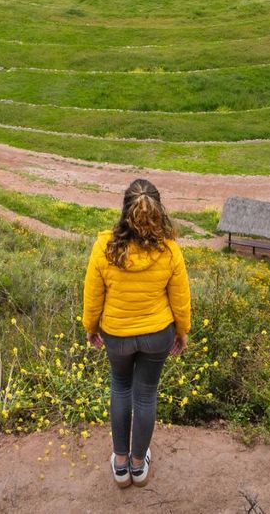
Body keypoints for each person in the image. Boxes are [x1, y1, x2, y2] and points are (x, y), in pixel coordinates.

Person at [82, 178, 191, 489]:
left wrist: (91, 327)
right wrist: (182, 331)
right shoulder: (170, 250)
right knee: (145, 394)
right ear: (158, 212)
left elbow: (93, 294)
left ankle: (119, 464)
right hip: (158, 333)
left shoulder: (104, 246)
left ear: (124, 210)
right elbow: (180, 298)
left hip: (117, 334)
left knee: (120, 388)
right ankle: (138, 464)